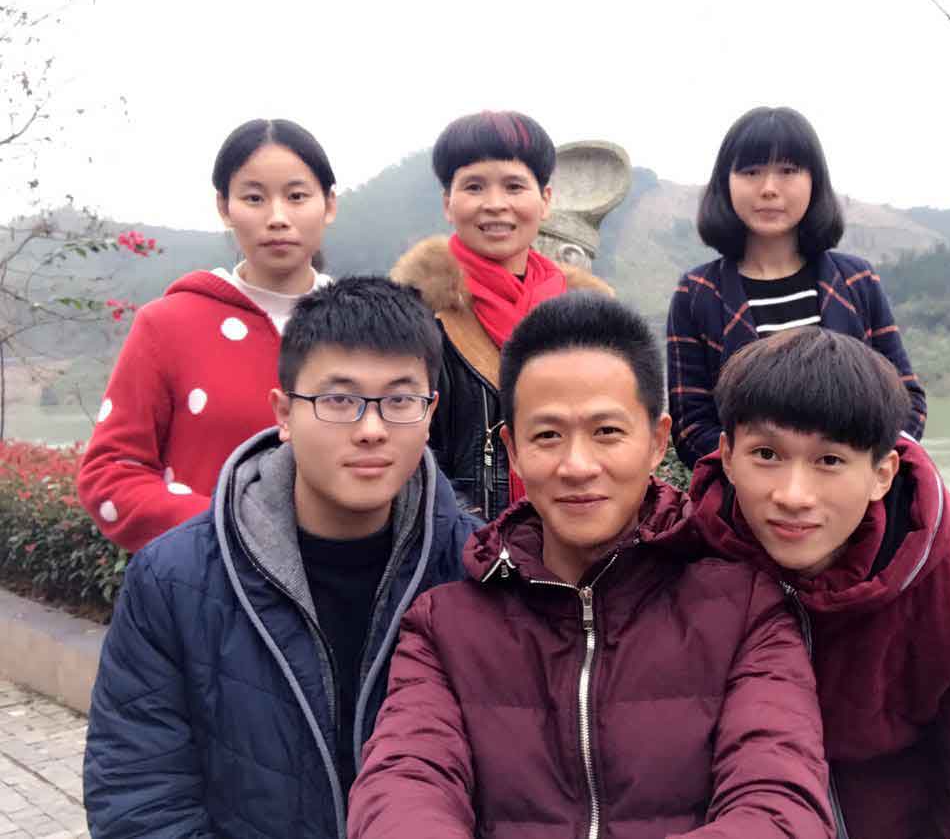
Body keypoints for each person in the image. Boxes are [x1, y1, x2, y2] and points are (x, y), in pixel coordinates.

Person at [348, 293, 834, 839]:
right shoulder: (444, 627)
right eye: (547, 435)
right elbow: (403, 785)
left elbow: (778, 804)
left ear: (657, 441)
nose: (577, 466)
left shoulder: (745, 610)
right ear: (512, 449)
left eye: (607, 432)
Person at [83, 276, 481, 839]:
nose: (371, 429)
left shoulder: (476, 570)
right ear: (284, 413)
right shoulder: (175, 580)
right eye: (339, 400)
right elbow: (139, 797)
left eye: (399, 400)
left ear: (431, 410)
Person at [686, 328, 950, 838]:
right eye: (767, 455)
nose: (794, 496)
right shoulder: (681, 563)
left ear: (882, 474)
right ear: (727, 456)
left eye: (829, 460)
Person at [78, 117, 339, 552]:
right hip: (205, 580)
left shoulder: (367, 324)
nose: (277, 218)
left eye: (296, 196)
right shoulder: (169, 324)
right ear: (224, 206)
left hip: (351, 584)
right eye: (254, 198)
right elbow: (111, 473)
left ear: (329, 204)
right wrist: (228, 529)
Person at [666, 105, 926, 468]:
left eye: (788, 171)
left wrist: (846, 470)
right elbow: (691, 426)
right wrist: (764, 474)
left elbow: (907, 401)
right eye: (751, 171)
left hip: (854, 494)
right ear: (726, 182)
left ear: (814, 181)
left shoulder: (856, 281)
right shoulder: (697, 293)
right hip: (745, 497)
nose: (769, 189)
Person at [390, 110, 611, 522]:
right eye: (474, 186)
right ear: (448, 203)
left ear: (545, 200)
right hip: (462, 541)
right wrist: (472, 535)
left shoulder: (590, 315)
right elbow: (402, 452)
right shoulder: (415, 314)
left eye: (514, 186)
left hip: (578, 531)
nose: (495, 204)